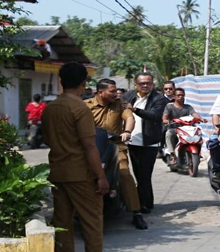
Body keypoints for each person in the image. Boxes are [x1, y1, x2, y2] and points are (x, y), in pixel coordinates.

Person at [41, 62, 109, 252]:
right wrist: (101, 176)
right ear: (83, 83)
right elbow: (89, 146)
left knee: (62, 223)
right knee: (92, 223)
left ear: (61, 81)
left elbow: (47, 140)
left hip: (57, 172)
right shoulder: (80, 108)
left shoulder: (50, 108)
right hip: (81, 174)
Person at [84, 78, 148, 230]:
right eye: (112, 91)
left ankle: (136, 212)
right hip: (92, 148)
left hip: (115, 146)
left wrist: (127, 131)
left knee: (125, 174)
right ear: (100, 92)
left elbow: (130, 118)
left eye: (116, 91)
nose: (116, 94)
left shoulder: (120, 104)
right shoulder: (86, 106)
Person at [122, 72, 168, 213]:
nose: (146, 86)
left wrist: (134, 109)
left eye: (148, 83)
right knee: (136, 174)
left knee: (144, 174)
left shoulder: (159, 99)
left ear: (153, 84)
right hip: (131, 141)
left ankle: (143, 204)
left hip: (149, 142)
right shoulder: (128, 96)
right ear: (136, 85)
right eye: (142, 83)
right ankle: (140, 202)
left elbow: (154, 116)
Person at [162, 88, 207, 165]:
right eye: (178, 95)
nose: (181, 97)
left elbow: (194, 114)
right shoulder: (169, 107)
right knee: (169, 134)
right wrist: (169, 121)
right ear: (174, 96)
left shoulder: (188, 107)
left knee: (198, 133)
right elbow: (164, 118)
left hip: (186, 129)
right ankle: (172, 155)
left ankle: (198, 153)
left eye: (182, 95)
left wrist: (201, 119)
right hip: (175, 128)